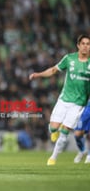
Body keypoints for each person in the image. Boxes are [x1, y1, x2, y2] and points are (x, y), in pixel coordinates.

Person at [29, 34, 90, 166]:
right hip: (64, 100)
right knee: (53, 128)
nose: (86, 46)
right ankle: (53, 130)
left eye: (88, 44)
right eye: (83, 43)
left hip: (79, 104)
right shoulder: (69, 58)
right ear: (78, 45)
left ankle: (53, 158)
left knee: (65, 131)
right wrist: (38, 74)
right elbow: (53, 70)